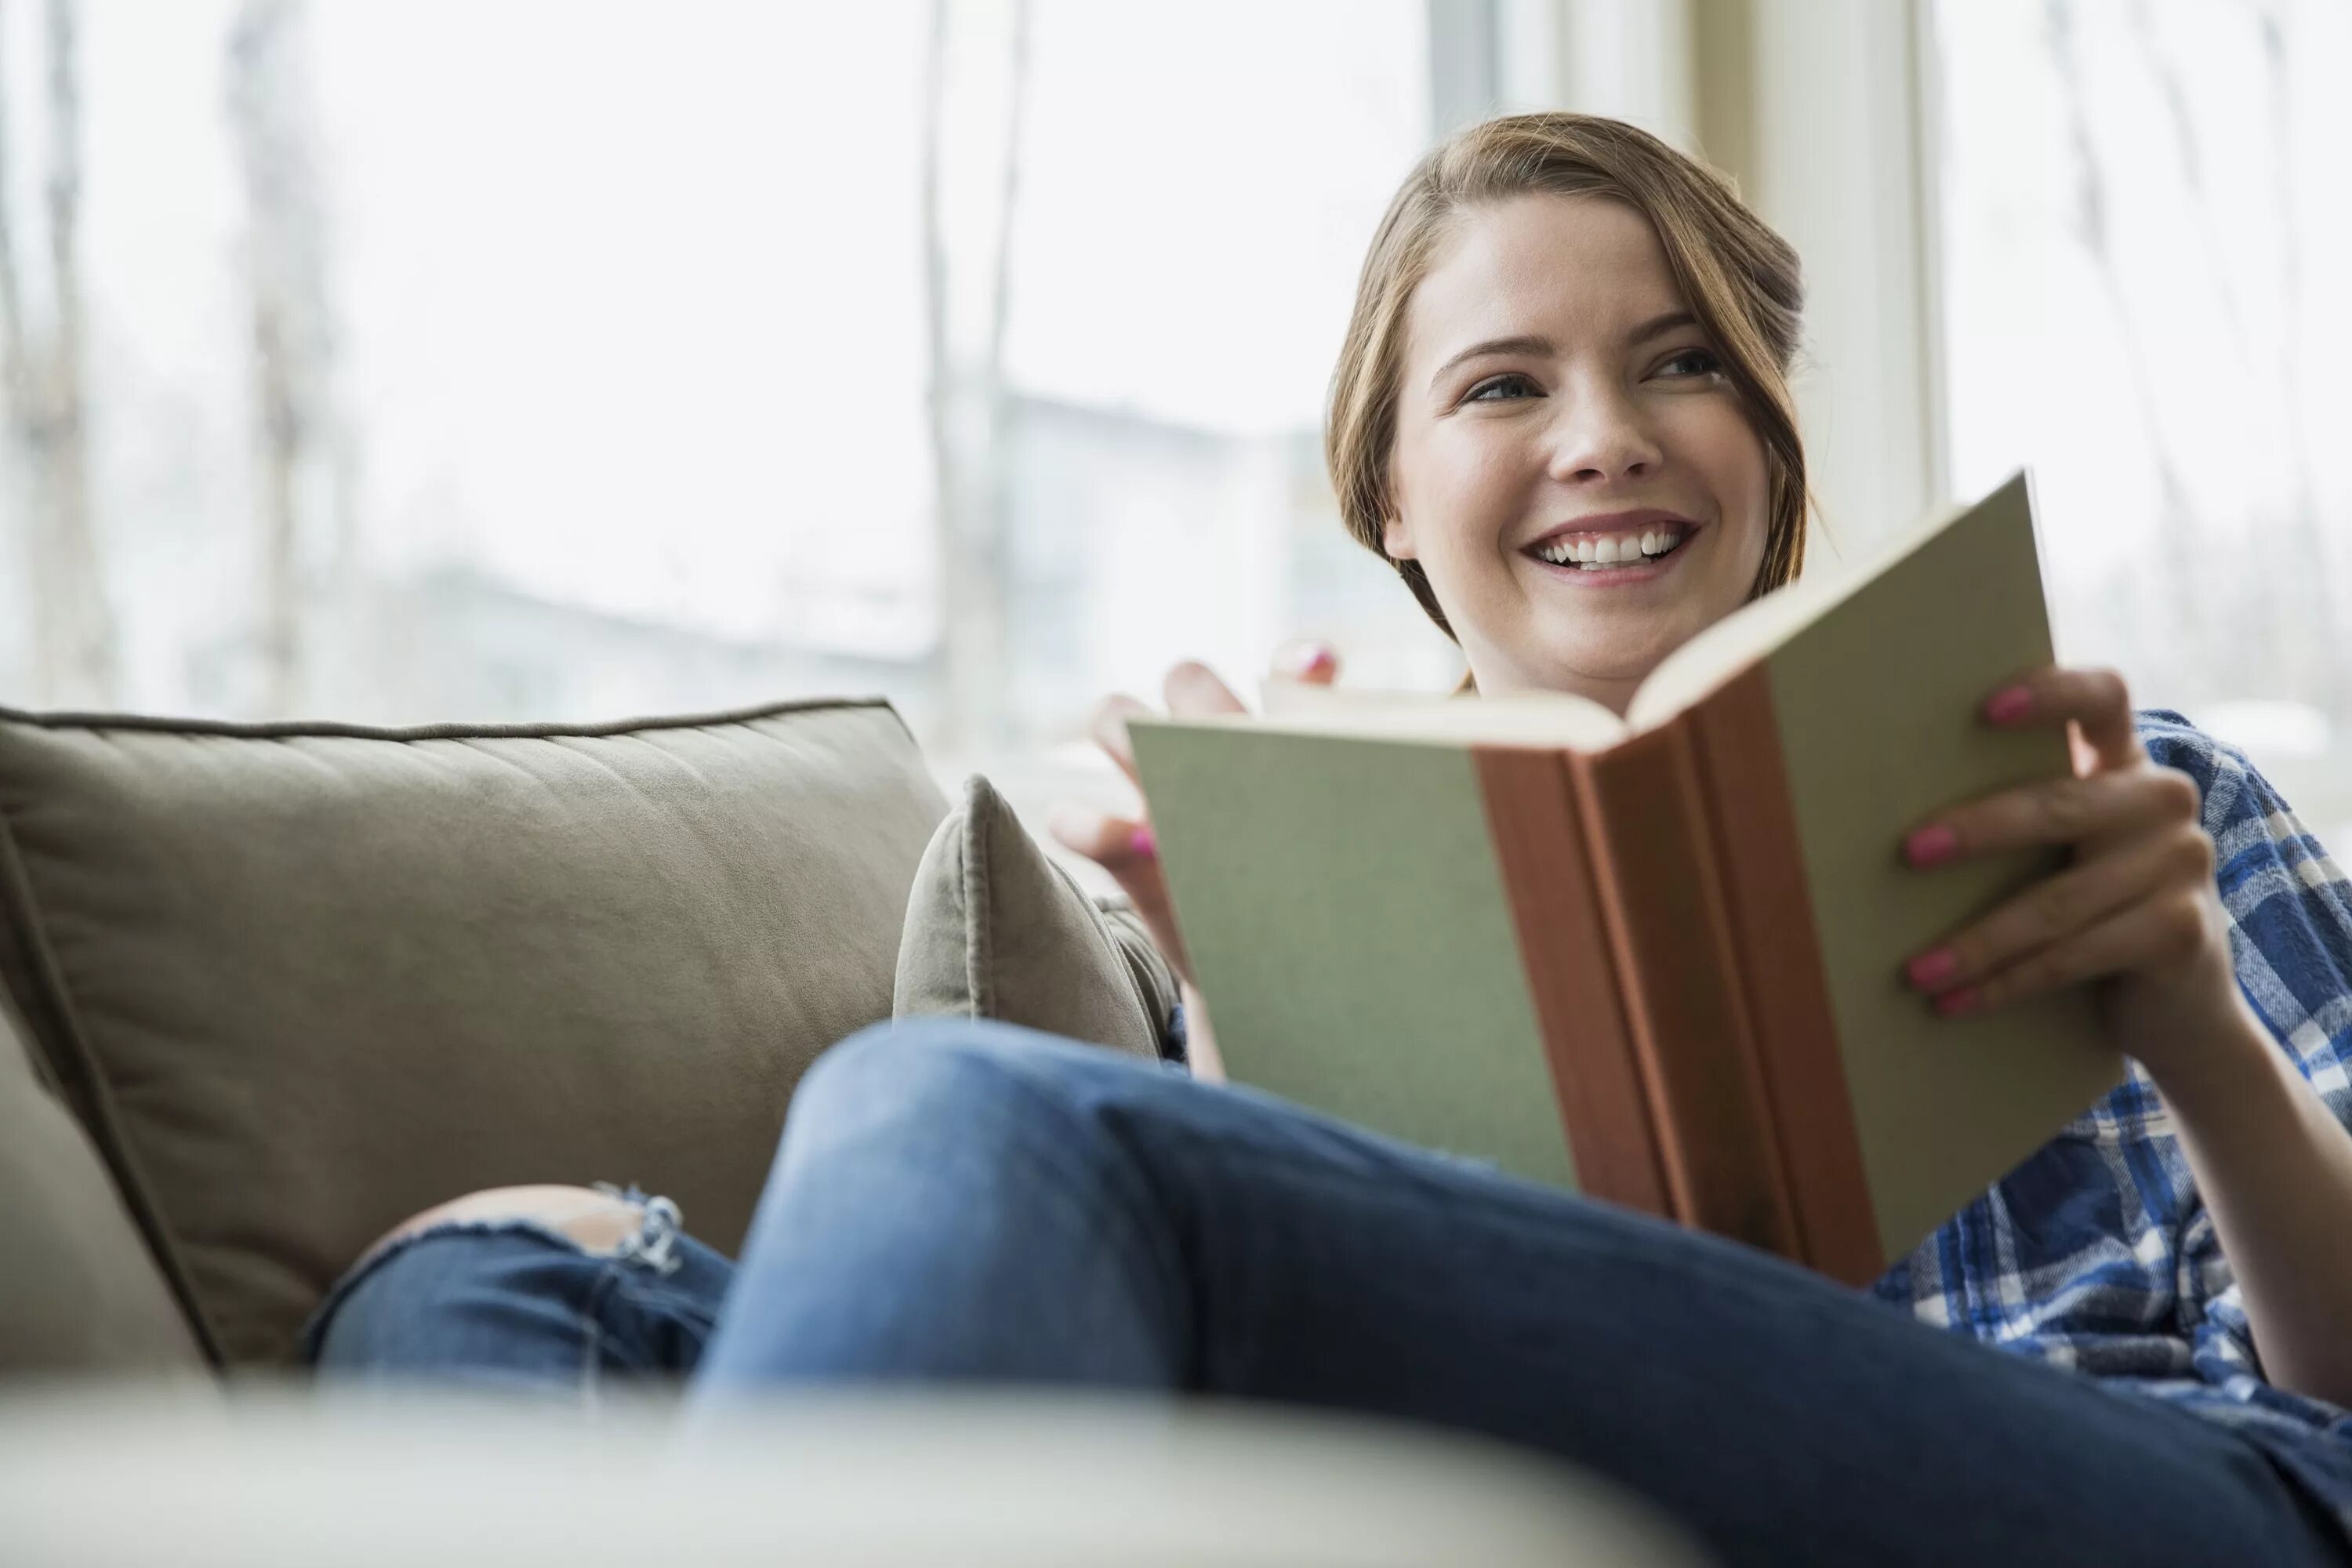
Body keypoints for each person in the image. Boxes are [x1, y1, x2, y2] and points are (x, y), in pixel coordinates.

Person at [308, 114, 2352, 1565]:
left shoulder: (2120, 783)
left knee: (952, 1112)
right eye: (1501, 384)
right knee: (484, 1276)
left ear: (1767, 436)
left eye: (1681, 368)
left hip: (2154, 1484)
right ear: (1385, 491)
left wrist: (2196, 1029)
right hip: (1562, 1495)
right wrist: (1259, 1012)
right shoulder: (1341, 855)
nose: (1607, 433)